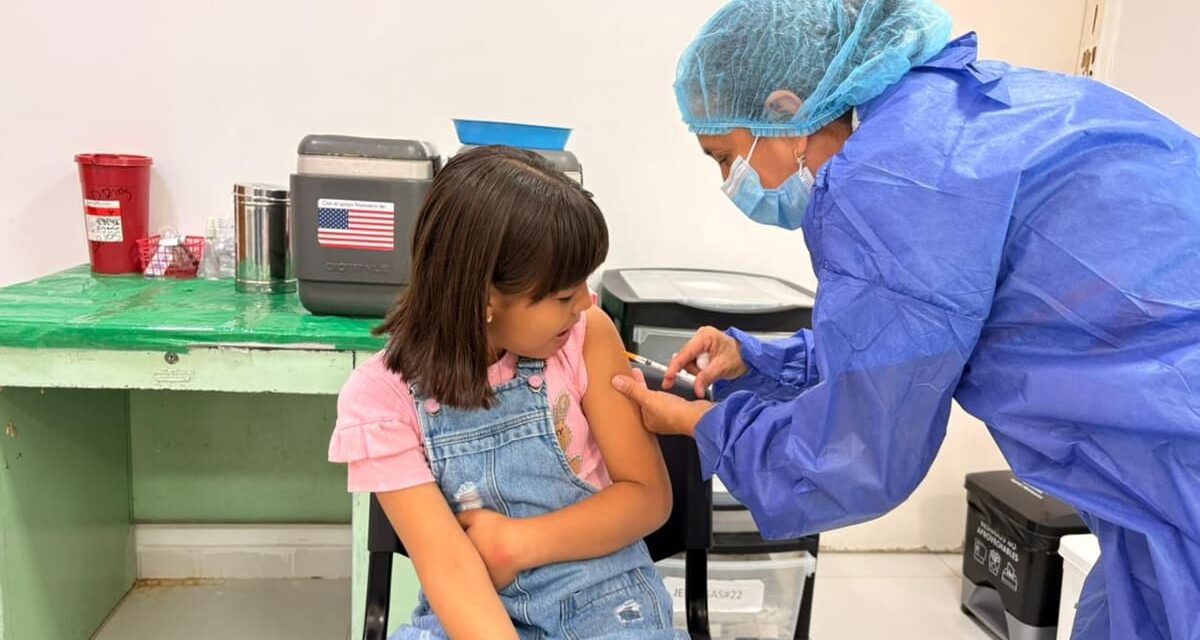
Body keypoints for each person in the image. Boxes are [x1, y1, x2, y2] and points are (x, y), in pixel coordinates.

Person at [610, 1, 1200, 638]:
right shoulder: (953, 111)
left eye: (724, 155)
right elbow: (915, 339)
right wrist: (761, 361)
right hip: (1161, 458)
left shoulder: (890, 182)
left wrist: (707, 424)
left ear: (783, 110)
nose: (731, 181)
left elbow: (858, 455)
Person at [330, 146, 684, 639]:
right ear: (485, 300)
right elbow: (450, 567)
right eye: (564, 295)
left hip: (606, 602)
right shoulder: (379, 400)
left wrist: (518, 543)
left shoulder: (587, 336)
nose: (587, 301)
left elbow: (647, 500)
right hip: (471, 606)